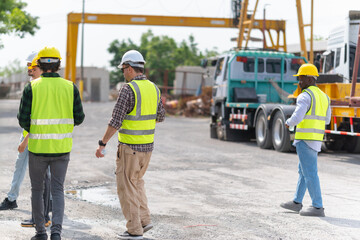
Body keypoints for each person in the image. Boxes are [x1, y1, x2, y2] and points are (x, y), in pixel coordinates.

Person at [95, 50, 165, 240]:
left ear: (130, 69)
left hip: (130, 148)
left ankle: (134, 230)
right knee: (137, 183)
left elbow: (115, 121)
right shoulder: (154, 88)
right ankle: (144, 220)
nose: (123, 73)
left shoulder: (128, 89)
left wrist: (102, 143)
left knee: (126, 187)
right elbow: (160, 117)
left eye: (123, 69)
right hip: (147, 148)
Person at [18, 46, 85, 240]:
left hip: (38, 149)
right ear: (58, 65)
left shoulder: (31, 87)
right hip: (61, 149)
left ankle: (40, 233)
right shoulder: (70, 87)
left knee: (37, 190)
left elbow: (22, 118)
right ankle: (56, 232)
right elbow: (79, 118)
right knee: (57, 190)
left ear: (38, 64)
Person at [0, 52, 51, 228]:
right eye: (28, 65)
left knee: (46, 172)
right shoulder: (32, 84)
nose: (28, 68)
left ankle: (48, 203)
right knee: (20, 165)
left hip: (39, 134)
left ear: (39, 66)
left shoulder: (43, 86)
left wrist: (25, 140)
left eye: (31, 65)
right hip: (29, 132)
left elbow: (41, 118)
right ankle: (12, 198)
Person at [280, 63, 331, 217]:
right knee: (303, 171)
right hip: (316, 139)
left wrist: (288, 122)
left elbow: (298, 115)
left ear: (309, 79)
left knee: (310, 173)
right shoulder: (325, 97)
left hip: (305, 139)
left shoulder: (305, 95)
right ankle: (297, 202)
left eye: (301, 79)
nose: (299, 83)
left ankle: (317, 206)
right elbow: (327, 120)